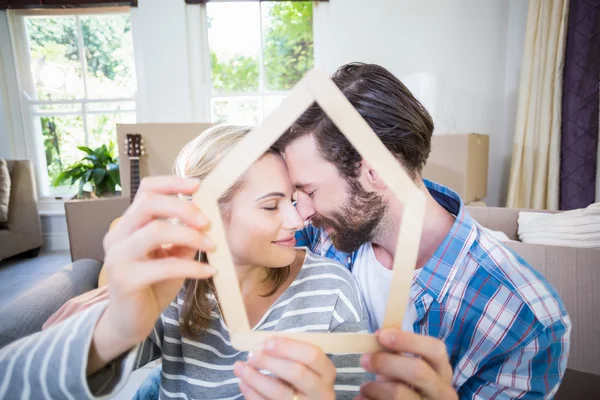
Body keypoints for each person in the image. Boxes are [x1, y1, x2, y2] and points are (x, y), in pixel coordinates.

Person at [43, 62, 571, 400]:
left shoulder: (524, 319)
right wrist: (120, 301)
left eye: (306, 193)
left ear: (374, 173)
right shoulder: (318, 233)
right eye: (285, 199)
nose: (298, 215)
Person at [0, 125, 370, 400]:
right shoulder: (173, 287)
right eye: (271, 206)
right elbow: (16, 386)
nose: (295, 220)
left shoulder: (330, 289)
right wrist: (114, 328)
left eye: (291, 199)